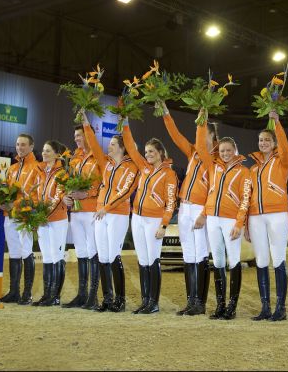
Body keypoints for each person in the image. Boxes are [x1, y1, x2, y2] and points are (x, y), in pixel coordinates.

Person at [158, 101, 217, 316]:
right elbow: (175, 136)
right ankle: (191, 301)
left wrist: (204, 214)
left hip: (201, 208)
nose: (199, 140)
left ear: (213, 138)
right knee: (189, 255)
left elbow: (214, 191)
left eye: (203, 136)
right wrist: (166, 113)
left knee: (201, 254)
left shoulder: (215, 160)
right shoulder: (193, 152)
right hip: (184, 208)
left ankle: (200, 303)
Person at [195, 109, 252, 320]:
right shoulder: (214, 167)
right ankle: (220, 305)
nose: (226, 153)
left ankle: (232, 306)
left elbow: (245, 200)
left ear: (236, 151)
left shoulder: (244, 172)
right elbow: (211, 192)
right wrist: (202, 121)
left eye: (229, 150)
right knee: (217, 260)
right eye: (223, 150)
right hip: (213, 220)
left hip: (230, 221)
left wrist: (239, 223)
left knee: (233, 260)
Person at [82, 113, 139, 313]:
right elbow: (93, 144)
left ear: (123, 148)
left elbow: (125, 192)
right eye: (110, 143)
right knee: (103, 256)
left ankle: (120, 300)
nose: (109, 146)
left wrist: (107, 207)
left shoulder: (131, 167)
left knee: (114, 255)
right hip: (101, 213)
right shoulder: (105, 163)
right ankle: (107, 298)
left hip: (117, 214)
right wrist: (85, 123)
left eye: (114, 144)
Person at [122, 123, 178, 315]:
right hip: (137, 218)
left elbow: (171, 203)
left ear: (161, 152)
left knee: (153, 260)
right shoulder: (143, 167)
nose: (148, 154)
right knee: (143, 260)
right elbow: (129, 146)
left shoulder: (169, 174)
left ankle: (154, 302)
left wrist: (164, 224)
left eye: (152, 151)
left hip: (154, 221)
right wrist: (126, 123)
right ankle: (145, 301)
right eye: (146, 151)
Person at [245, 111, 288, 321]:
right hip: (256, 217)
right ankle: (265, 307)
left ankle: (280, 308)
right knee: (262, 260)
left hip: (278, 215)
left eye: (267, 140)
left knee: (278, 258)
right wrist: (246, 222)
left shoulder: (282, 162)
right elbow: (248, 196)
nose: (263, 143)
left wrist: (277, 122)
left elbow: (285, 146)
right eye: (261, 140)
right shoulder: (253, 169)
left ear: (274, 143)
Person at [61, 125, 102, 309]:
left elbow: (104, 184)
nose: (76, 138)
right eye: (75, 135)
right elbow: (67, 183)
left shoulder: (99, 157)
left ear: (89, 135)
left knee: (93, 251)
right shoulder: (74, 160)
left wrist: (88, 194)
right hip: (76, 212)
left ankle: (93, 296)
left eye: (79, 135)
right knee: (81, 252)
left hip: (92, 210)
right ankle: (82, 294)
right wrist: (66, 195)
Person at [0, 134, 38, 305]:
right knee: (13, 252)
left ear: (31, 147)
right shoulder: (11, 169)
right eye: (17, 144)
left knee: (26, 251)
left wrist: (15, 204)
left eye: (23, 145)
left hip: (25, 216)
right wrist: (2, 203)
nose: (20, 148)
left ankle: (27, 293)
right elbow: (3, 190)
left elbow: (36, 195)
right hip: (9, 216)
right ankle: (14, 291)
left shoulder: (37, 167)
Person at [31, 140, 69, 307]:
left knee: (57, 256)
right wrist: (34, 213)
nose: (44, 153)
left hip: (57, 220)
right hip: (42, 221)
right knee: (46, 257)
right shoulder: (40, 171)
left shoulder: (62, 173)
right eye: (43, 150)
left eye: (48, 151)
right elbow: (34, 195)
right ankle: (47, 295)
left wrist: (43, 214)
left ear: (56, 154)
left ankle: (55, 296)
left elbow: (58, 196)